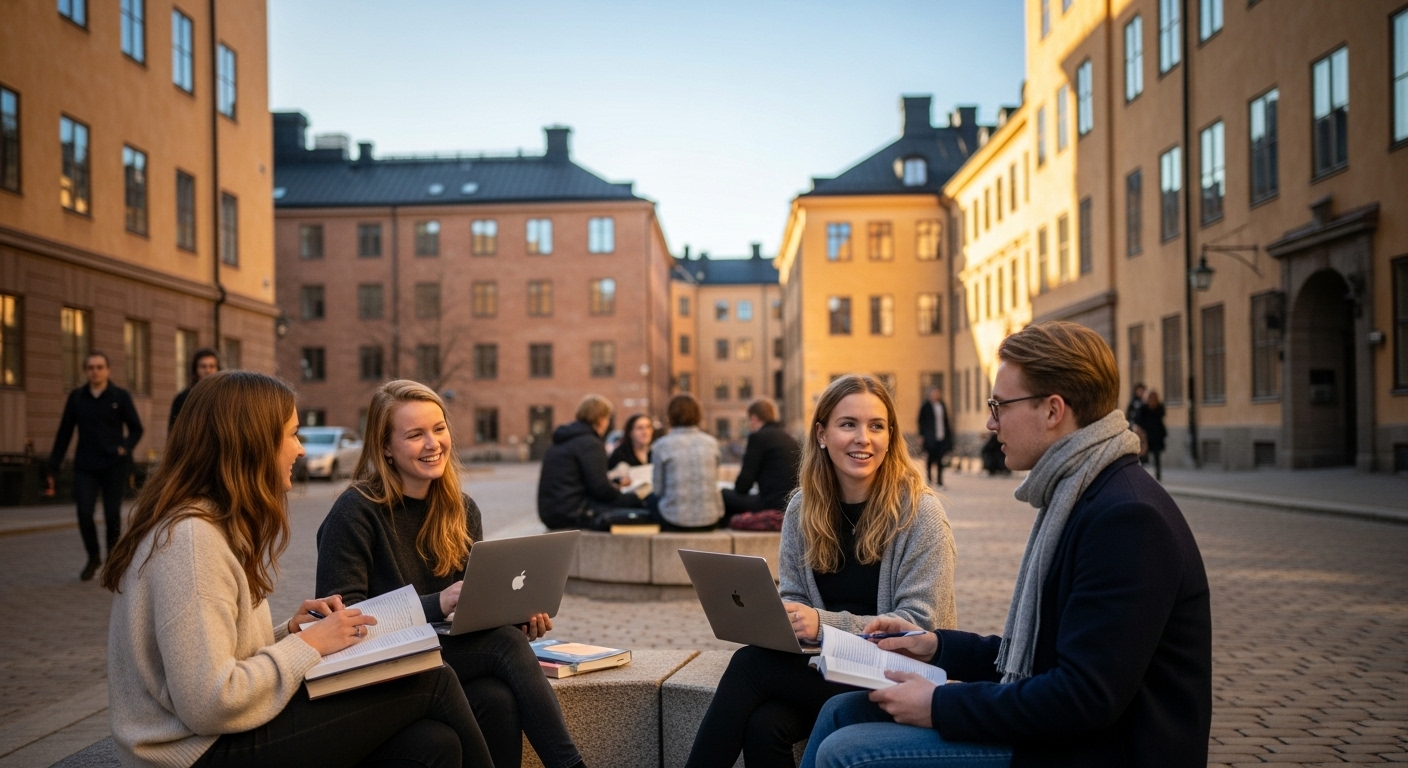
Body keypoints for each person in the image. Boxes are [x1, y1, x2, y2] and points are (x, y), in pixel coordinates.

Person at [801, 322, 1211, 768]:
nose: (990, 422)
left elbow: (1085, 698)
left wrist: (940, 705)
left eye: (999, 405)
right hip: (1069, 731)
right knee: (841, 710)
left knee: (846, 754)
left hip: (1104, 751)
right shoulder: (1082, 493)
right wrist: (935, 645)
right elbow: (1037, 654)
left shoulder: (1127, 518)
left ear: (1053, 411)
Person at [101, 370, 492, 768]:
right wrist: (309, 644)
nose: (301, 450)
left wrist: (287, 632)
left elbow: (217, 658)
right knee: (432, 679)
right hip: (194, 752)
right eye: (291, 435)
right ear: (252, 444)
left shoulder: (208, 526)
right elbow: (210, 704)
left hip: (216, 736)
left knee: (434, 743)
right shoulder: (191, 542)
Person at [685, 374, 957, 768]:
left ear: (890, 437)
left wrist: (823, 625)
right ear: (822, 435)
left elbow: (917, 626)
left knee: (749, 666)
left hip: (902, 676)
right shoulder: (802, 508)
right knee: (764, 725)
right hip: (827, 666)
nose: (863, 438)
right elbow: (794, 595)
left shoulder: (920, 514)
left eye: (876, 426)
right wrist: (785, 619)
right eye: (848, 424)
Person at [317, 380, 584, 768]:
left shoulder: (461, 509)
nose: (433, 443)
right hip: (379, 668)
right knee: (506, 646)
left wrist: (511, 614)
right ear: (385, 448)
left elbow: (469, 610)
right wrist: (437, 603)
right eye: (415, 435)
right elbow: (340, 622)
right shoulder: (355, 512)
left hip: (440, 658)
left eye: (438, 429)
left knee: (497, 698)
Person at [46, 351, 144, 580]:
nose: (95, 371)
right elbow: (64, 432)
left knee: (112, 515)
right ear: (85, 371)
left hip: (114, 464)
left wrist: (125, 447)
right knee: (83, 512)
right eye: (91, 367)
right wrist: (53, 465)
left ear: (108, 370)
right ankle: (93, 557)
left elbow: (136, 428)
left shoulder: (119, 396)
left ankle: (112, 560)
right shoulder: (77, 398)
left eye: (100, 367)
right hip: (86, 465)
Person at [537, 394, 644, 530]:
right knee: (638, 501)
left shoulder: (562, 440)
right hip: (573, 513)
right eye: (607, 418)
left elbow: (582, 481)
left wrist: (615, 483)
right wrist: (625, 494)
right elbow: (600, 489)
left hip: (552, 512)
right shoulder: (590, 443)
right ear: (601, 419)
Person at [648, 393, 724, 531]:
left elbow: (658, 490)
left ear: (670, 416)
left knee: (649, 499)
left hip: (673, 520)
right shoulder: (712, 443)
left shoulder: (661, 445)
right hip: (711, 520)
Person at [722, 398, 801, 518]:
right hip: (792, 504)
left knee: (723, 495)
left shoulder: (758, 438)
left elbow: (743, 485)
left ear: (754, 418)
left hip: (771, 505)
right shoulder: (791, 439)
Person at [168, 347, 220, 430]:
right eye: (203, 366)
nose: (208, 370)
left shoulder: (223, 395)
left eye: (212, 366)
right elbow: (173, 430)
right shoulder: (183, 398)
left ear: (218, 369)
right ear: (196, 369)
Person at [917, 388, 953, 486]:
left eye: (937, 393)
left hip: (941, 435)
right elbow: (921, 421)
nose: (936, 395)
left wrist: (948, 435)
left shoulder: (942, 405)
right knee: (930, 458)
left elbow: (946, 421)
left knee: (940, 458)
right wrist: (921, 435)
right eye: (934, 393)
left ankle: (940, 480)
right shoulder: (926, 406)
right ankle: (929, 478)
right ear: (930, 395)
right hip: (930, 436)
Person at [1138, 389, 1168, 481]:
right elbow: (1138, 419)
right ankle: (1143, 475)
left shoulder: (1159, 407)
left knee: (1156, 455)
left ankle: (1157, 474)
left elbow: (1162, 415)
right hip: (1147, 435)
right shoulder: (1143, 407)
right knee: (1144, 456)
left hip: (1156, 435)